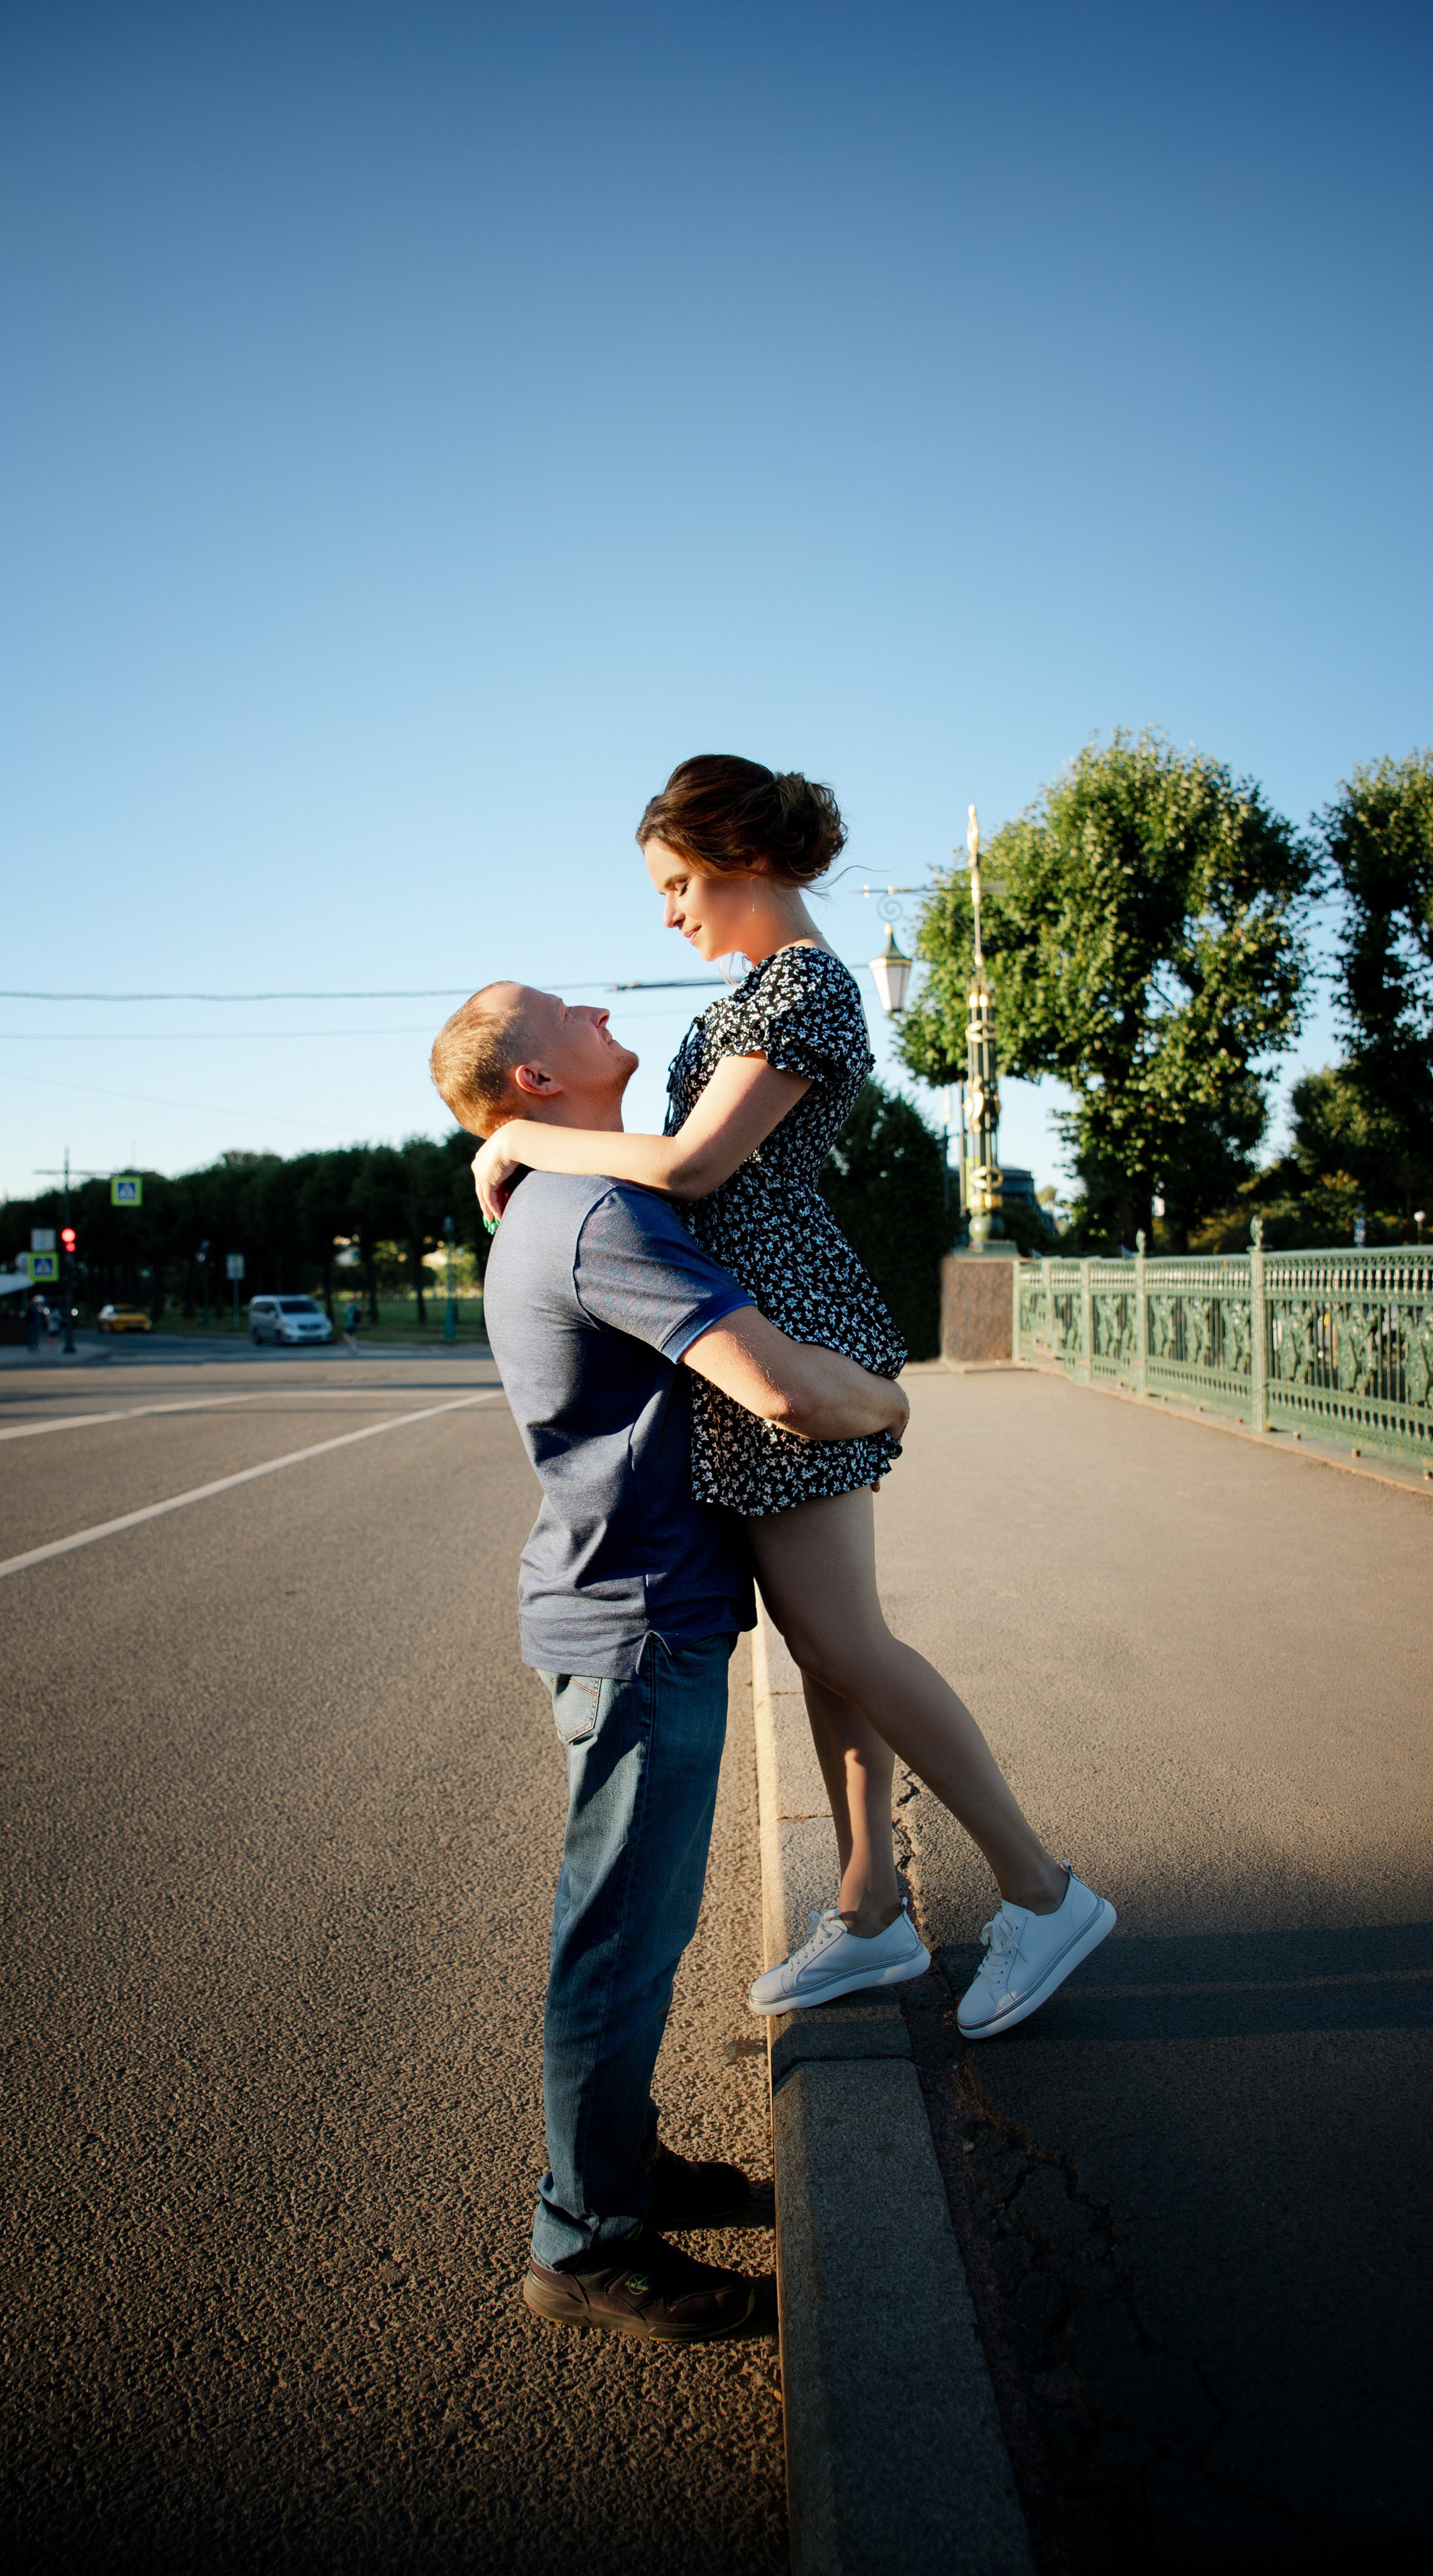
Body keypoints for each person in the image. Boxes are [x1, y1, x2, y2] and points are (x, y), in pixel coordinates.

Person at [469, 755, 1115, 2042]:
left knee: (849, 1642)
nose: (668, 915)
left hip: (793, 1327)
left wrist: (521, 1135)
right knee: (826, 1650)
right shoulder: (764, 990)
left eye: (676, 884)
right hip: (766, 1313)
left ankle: (1043, 1895)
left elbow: (695, 1166)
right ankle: (872, 1912)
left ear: (738, 858)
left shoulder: (807, 986)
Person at [429, 982, 909, 2342]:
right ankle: (584, 2243)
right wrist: (891, 1396)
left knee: (631, 1926)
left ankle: (620, 2171)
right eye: (559, 1011)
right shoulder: (602, 1216)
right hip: (637, 1624)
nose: (596, 1003)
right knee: (620, 1941)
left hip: (618, 1612)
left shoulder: (558, 1199)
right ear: (531, 1082)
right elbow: (785, 1390)